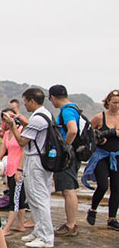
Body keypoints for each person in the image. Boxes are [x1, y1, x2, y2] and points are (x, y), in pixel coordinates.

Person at [3, 87, 55, 248]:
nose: (24, 104)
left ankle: (46, 237)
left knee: (39, 198)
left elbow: (22, 141)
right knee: (33, 197)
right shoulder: (46, 114)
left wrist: (12, 125)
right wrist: (22, 121)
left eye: (25, 101)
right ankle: (39, 231)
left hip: (36, 161)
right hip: (41, 160)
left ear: (32, 100)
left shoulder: (37, 119)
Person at [0, 109, 32, 235]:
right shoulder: (7, 134)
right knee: (19, 197)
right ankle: (20, 225)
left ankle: (7, 228)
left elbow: (24, 150)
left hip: (18, 170)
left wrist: (20, 169)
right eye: (3, 119)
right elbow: (1, 151)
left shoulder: (21, 131)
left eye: (7, 118)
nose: (5, 121)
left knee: (15, 200)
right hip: (10, 169)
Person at [48, 85, 80, 237]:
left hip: (68, 155)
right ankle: (71, 223)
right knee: (69, 189)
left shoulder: (67, 110)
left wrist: (64, 148)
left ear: (53, 98)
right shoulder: (74, 108)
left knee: (68, 190)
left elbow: (72, 129)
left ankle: (70, 225)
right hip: (73, 154)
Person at [86, 90, 119, 230]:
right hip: (101, 155)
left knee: (117, 189)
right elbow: (87, 134)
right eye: (114, 102)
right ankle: (93, 209)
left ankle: (112, 219)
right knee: (103, 186)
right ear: (108, 102)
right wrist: (97, 139)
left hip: (117, 156)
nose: (117, 105)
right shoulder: (99, 117)